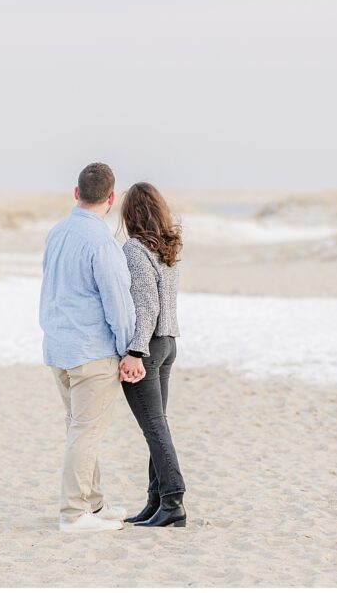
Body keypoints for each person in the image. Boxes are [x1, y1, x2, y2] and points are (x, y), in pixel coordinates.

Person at [39, 162, 146, 533]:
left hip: (59, 348)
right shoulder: (102, 243)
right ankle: (73, 514)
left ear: (76, 193)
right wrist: (129, 350)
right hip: (91, 351)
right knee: (85, 433)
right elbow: (119, 304)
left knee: (80, 429)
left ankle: (94, 505)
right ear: (111, 198)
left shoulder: (56, 233)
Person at [117, 182, 187, 527]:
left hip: (148, 346)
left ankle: (173, 500)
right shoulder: (168, 248)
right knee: (157, 425)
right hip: (169, 343)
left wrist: (134, 351)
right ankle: (156, 501)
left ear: (130, 214)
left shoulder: (134, 249)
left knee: (154, 427)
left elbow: (146, 308)